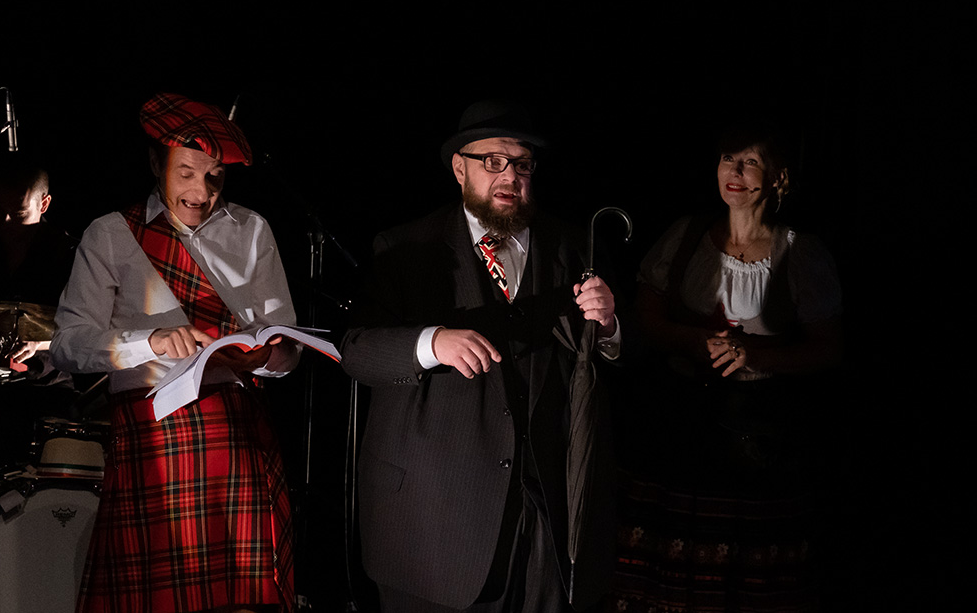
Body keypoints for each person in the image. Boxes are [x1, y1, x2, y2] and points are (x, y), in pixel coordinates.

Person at [340, 99, 620, 612]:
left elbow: (602, 363)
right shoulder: (405, 247)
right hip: (434, 519)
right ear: (459, 168)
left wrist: (608, 327)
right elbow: (356, 351)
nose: (509, 175)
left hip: (542, 518)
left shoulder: (571, 247)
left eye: (522, 164)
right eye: (493, 161)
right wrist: (430, 343)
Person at [51, 93, 301, 613]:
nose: (200, 192)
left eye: (215, 178)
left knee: (244, 599)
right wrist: (151, 341)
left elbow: (287, 348)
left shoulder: (252, 230)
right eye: (186, 173)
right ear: (155, 164)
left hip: (237, 435)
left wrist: (265, 358)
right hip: (153, 436)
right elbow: (68, 345)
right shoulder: (112, 234)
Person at [608, 121, 843, 612]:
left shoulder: (800, 252)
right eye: (726, 159)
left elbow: (828, 349)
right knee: (665, 566)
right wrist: (691, 341)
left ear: (777, 177)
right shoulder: (686, 235)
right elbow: (644, 318)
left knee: (741, 575)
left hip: (755, 438)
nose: (734, 172)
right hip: (676, 427)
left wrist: (754, 355)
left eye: (750, 161)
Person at [0, 155, 79, 480]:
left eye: (19, 213)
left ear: (44, 204)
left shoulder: (70, 256)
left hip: (46, 388)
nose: (5, 221)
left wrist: (39, 343)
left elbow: (92, 328)